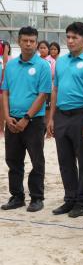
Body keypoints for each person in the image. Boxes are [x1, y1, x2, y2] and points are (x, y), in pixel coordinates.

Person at [47, 22, 83, 218]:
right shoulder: (60, 61)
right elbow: (55, 90)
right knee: (65, 161)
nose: (70, 41)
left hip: (82, 115)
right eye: (68, 37)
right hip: (61, 115)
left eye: (74, 37)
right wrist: (52, 118)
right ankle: (70, 199)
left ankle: (82, 202)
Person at [1, 27, 52, 212]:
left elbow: (43, 95)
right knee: (13, 160)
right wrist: (7, 117)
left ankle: (37, 197)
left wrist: (26, 118)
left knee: (37, 160)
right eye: (25, 41)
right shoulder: (10, 66)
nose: (28, 44)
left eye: (32, 41)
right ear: (19, 41)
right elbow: (5, 92)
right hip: (12, 120)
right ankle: (17, 196)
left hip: (34, 121)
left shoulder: (43, 66)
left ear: (36, 43)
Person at [0, 39, 11, 136]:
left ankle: (1, 129)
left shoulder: (3, 42)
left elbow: (5, 63)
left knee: (2, 107)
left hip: (2, 82)